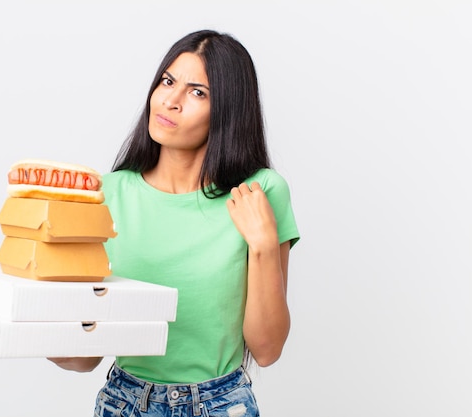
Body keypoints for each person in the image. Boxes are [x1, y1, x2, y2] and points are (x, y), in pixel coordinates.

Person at [49, 29, 300, 417]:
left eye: (198, 92)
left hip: (220, 403)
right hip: (125, 403)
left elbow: (266, 349)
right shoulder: (108, 194)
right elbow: (83, 359)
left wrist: (264, 245)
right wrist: (36, 317)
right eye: (168, 81)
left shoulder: (259, 192)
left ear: (228, 111)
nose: (171, 100)